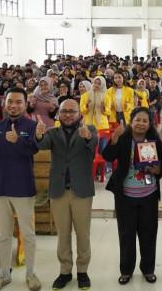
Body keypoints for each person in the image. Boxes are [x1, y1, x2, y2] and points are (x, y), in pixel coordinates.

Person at [0, 88, 43, 291]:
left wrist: (18, 141)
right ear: (4, 103)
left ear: (25, 104)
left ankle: (31, 274)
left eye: (18, 102)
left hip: (23, 188)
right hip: (0, 188)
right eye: (10, 102)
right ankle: (4, 275)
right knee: (4, 235)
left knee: (28, 235)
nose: (13, 105)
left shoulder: (32, 126)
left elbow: (33, 150)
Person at [103, 107, 162, 285]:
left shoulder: (153, 140)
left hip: (149, 196)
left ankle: (148, 269)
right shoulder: (123, 139)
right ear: (131, 122)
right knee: (126, 235)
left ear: (149, 124)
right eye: (137, 120)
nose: (141, 123)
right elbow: (108, 156)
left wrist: (157, 170)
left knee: (149, 234)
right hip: (125, 196)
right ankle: (126, 270)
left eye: (144, 121)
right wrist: (114, 139)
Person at [36, 99, 97, 290]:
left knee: (83, 234)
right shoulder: (52, 133)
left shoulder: (89, 129)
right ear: (58, 114)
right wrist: (38, 134)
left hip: (82, 191)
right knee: (63, 234)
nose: (68, 115)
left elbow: (93, 144)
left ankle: (82, 271)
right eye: (64, 111)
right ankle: (65, 271)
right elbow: (41, 145)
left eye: (72, 111)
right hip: (59, 191)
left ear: (79, 113)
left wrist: (88, 137)